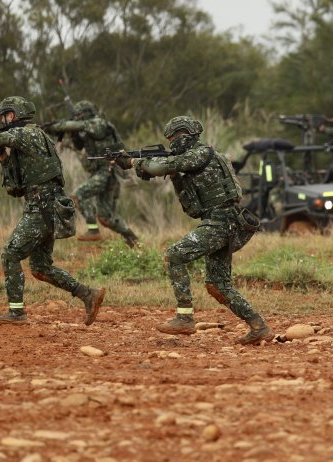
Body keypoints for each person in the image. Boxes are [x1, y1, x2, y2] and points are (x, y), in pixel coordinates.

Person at [115, 116, 273, 345]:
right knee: (218, 285)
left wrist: (132, 162)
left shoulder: (200, 154)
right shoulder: (206, 155)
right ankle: (259, 327)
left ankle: (184, 318)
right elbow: (170, 168)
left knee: (175, 256)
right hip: (226, 221)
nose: (172, 143)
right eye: (170, 140)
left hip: (219, 222)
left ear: (188, 135)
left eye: (175, 138)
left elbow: (163, 166)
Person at [0, 96, 105, 325]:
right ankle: (88, 294)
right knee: (41, 267)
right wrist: (3, 157)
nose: (3, 120)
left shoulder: (28, 133)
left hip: (42, 206)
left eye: (4, 116)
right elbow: (15, 188)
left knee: (10, 254)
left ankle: (16, 313)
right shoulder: (28, 139)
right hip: (45, 205)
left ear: (13, 115)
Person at [46, 100, 139, 247]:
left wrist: (62, 124)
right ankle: (132, 238)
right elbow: (77, 142)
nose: (77, 119)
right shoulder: (85, 130)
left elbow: (81, 126)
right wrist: (56, 130)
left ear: (86, 113)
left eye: (79, 115)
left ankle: (93, 230)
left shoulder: (99, 123)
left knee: (78, 195)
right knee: (105, 217)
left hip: (108, 170)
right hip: (101, 172)